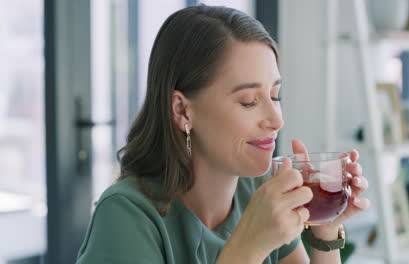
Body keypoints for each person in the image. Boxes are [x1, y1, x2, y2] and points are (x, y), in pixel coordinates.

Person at [76, 4, 370, 264]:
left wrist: (325, 230)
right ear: (182, 111)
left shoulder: (257, 190)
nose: (276, 120)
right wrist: (251, 242)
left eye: (275, 95)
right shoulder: (125, 215)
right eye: (248, 101)